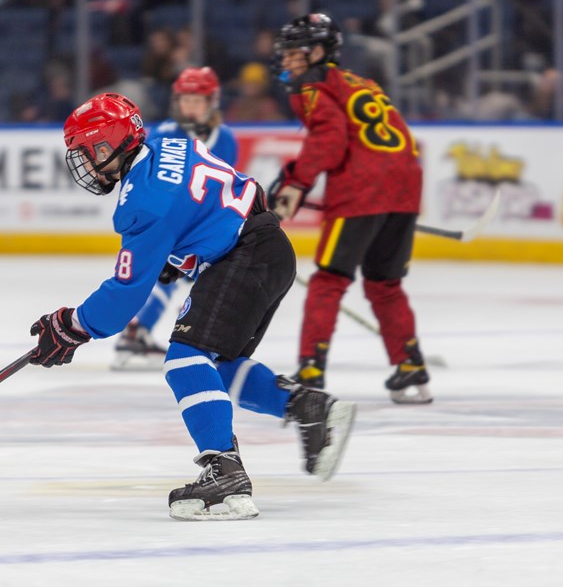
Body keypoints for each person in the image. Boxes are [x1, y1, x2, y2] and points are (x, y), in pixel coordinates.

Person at [30, 92, 356, 520]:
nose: (86, 164)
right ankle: (310, 408)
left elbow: (125, 293)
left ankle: (225, 470)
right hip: (269, 248)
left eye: (89, 152)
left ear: (110, 144)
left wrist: (72, 325)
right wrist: (176, 255)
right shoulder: (168, 145)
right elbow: (197, 203)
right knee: (218, 365)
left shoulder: (141, 203)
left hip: (242, 256)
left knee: (185, 360)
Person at [267, 13, 432, 404]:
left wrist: (296, 183)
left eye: (295, 52)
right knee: (384, 284)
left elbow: (330, 139)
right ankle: (410, 364)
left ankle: (311, 367)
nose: (287, 60)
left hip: (361, 190)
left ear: (318, 52)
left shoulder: (313, 85)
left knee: (329, 280)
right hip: (405, 188)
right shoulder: (362, 83)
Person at [112, 66, 238, 369]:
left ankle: (200, 337)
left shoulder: (226, 139)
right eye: (185, 100)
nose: (189, 107)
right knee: (165, 273)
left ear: (212, 102)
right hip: (168, 224)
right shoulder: (164, 134)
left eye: (197, 100)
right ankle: (137, 332)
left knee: (209, 279)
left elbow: (225, 188)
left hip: (204, 228)